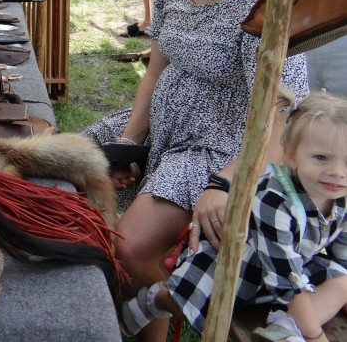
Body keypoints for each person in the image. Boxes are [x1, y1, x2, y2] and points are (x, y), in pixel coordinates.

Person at [83, 0, 308, 342]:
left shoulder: (263, 10)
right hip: (162, 125)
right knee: (70, 163)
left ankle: (161, 310)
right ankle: (119, 305)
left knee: (131, 246)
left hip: (219, 148)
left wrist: (227, 180)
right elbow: (153, 74)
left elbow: (284, 117)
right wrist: (130, 141)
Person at [119, 91, 347, 342]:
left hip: (288, 268)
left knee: (343, 281)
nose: (336, 172)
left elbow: (342, 256)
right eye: (321, 158)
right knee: (184, 300)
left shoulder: (341, 196)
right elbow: (289, 282)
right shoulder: (274, 200)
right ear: (291, 155)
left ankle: (286, 327)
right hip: (236, 268)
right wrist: (315, 336)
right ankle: (154, 301)